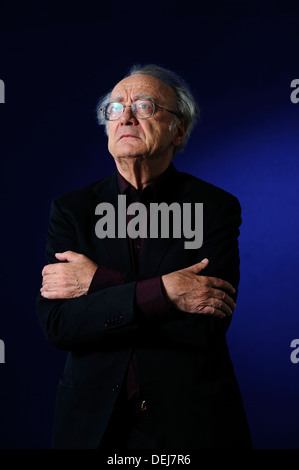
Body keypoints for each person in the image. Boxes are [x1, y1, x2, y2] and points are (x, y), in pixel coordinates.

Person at [36, 64, 252, 449]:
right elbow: (60, 324)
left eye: (145, 106)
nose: (127, 117)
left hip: (192, 421)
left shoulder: (215, 208)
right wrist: (167, 292)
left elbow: (203, 326)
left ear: (178, 130)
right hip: (92, 423)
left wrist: (100, 284)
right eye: (116, 108)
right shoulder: (71, 210)